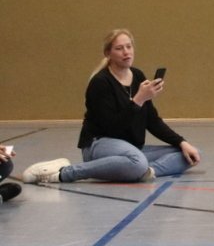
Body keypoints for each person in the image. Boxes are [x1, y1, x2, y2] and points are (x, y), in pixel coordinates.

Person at [22, 28, 201, 184]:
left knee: (189, 153)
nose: (126, 52)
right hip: (99, 144)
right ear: (108, 53)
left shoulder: (138, 76)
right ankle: (64, 173)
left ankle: (146, 172)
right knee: (137, 162)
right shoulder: (100, 83)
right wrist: (138, 99)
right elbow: (112, 127)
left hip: (131, 149)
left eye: (129, 47)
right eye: (119, 48)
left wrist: (182, 142)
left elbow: (152, 121)